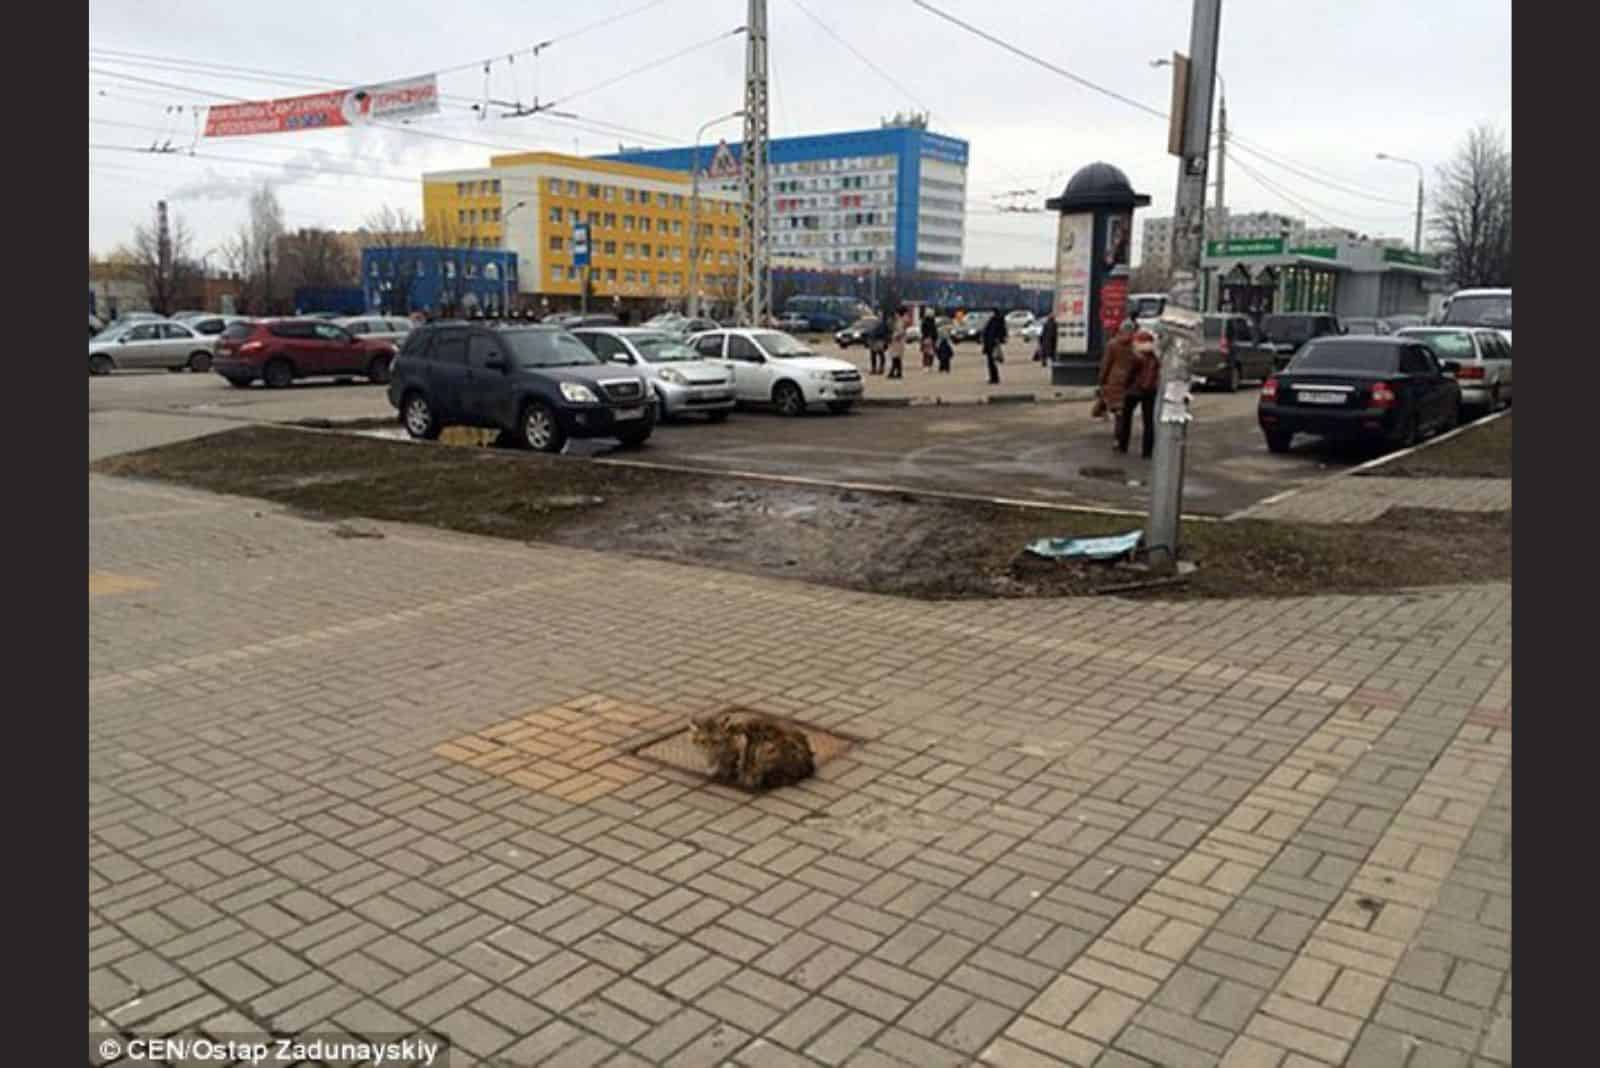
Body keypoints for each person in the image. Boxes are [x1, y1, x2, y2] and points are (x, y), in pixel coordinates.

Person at [1117, 328, 1161, 458]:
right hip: (1150, 391)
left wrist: (1125, 385)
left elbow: (1129, 373)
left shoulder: (1135, 357)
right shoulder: (1154, 358)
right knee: (1148, 421)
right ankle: (1147, 451)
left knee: (1126, 418)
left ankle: (1123, 445)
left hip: (1134, 390)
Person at [1098, 320, 1137, 437]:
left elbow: (1106, 363)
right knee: (1125, 410)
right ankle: (1123, 437)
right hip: (1130, 379)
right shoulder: (1134, 345)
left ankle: (1118, 437)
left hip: (1114, 379)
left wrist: (1101, 379)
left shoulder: (1112, 344)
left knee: (1118, 410)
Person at [980, 307, 1008, 385]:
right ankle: (993, 377)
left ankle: (994, 378)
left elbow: (999, 332)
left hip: (992, 343)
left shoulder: (996, 320)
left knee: (991, 361)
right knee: (991, 362)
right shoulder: (995, 320)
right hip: (990, 342)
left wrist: (998, 339)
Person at [887, 307, 907, 378]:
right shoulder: (900, 320)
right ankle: (898, 373)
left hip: (897, 342)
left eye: (896, 313)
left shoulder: (900, 321)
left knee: (895, 358)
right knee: (897, 358)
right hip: (898, 342)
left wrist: (895, 336)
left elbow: (901, 332)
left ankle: (893, 372)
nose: (895, 314)